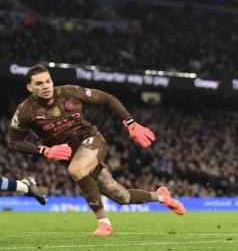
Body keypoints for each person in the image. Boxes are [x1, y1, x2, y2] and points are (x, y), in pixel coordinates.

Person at [7, 64, 185, 236]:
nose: (46, 86)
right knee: (121, 196)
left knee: (76, 169)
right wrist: (43, 151)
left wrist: (130, 123)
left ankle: (104, 224)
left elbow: (108, 98)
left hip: (91, 140)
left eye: (48, 81)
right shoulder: (25, 111)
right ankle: (162, 197)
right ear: (29, 87)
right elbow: (13, 141)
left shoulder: (69, 92)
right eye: (39, 83)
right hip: (72, 156)